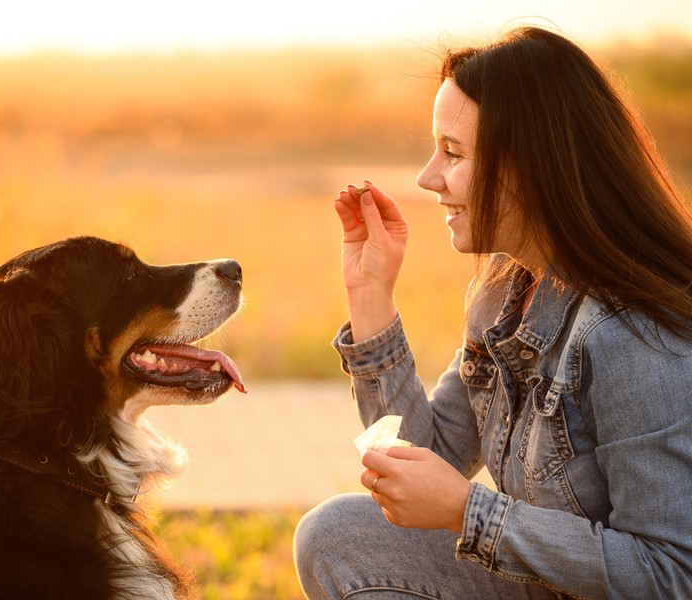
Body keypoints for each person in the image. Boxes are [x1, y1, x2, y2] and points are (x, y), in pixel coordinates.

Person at [293, 25, 692, 599]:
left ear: (531, 165)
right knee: (337, 535)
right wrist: (370, 295)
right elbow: (423, 464)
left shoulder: (635, 337)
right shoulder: (503, 296)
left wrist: (469, 512)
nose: (428, 178)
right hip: (554, 587)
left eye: (452, 152)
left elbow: (670, 573)